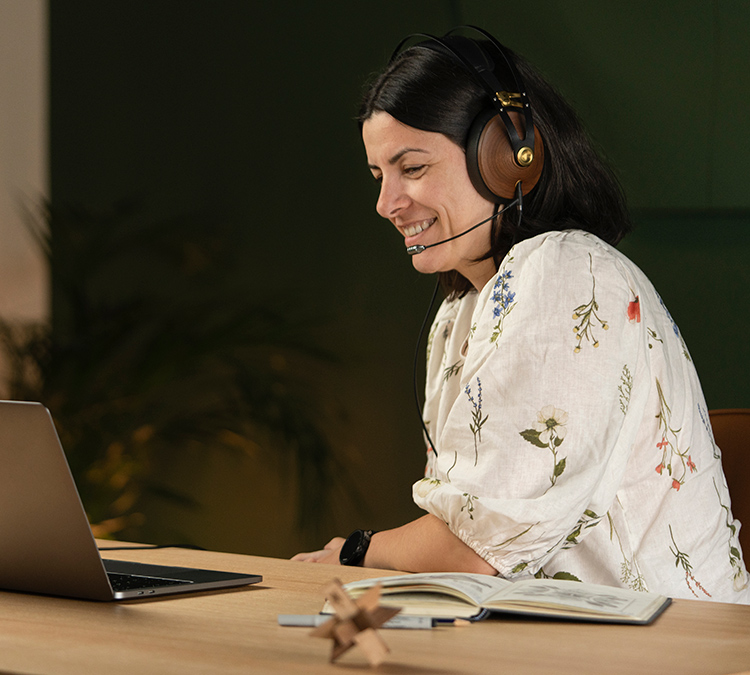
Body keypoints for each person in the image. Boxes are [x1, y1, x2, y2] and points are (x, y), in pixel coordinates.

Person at [292, 27, 750, 602]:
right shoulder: (463, 308)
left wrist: (353, 551)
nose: (386, 204)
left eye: (411, 168)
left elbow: (476, 550)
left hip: (665, 648)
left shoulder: (565, 272)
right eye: (378, 176)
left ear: (508, 158)